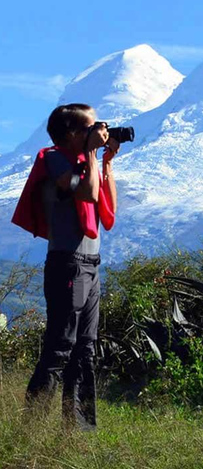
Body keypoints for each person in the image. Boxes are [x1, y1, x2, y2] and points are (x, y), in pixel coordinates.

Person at [16, 103, 119, 431]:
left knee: (85, 349)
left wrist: (106, 162)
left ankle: (78, 431)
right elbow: (87, 193)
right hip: (68, 264)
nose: (98, 133)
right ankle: (30, 429)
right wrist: (90, 154)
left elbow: (108, 209)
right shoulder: (55, 159)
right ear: (73, 133)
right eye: (91, 128)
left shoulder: (82, 161)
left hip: (92, 263)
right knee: (60, 346)